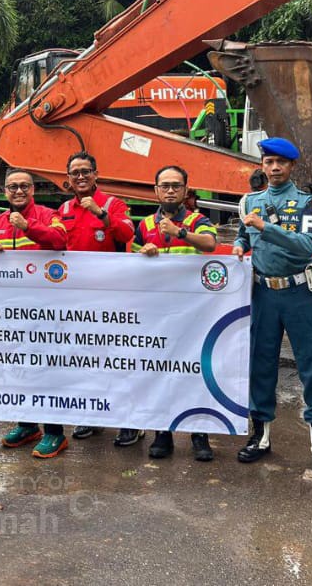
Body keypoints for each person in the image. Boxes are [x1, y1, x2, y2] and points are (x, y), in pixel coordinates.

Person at [233, 137, 312, 474]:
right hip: (263, 294)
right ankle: (260, 435)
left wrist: (266, 227)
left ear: (292, 166)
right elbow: (243, 235)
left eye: (281, 163)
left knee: (310, 366)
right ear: (262, 165)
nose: (274, 168)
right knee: (260, 365)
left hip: (299, 294)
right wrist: (238, 245)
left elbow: (307, 246)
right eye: (269, 162)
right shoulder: (250, 201)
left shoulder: (308, 203)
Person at [132, 165, 219, 462]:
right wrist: (142, 254)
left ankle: (199, 435)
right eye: (165, 185)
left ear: (185, 190)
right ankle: (163, 433)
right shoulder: (143, 225)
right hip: (156, 313)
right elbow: (129, 261)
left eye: (176, 185)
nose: (170, 190)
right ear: (155, 190)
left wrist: (180, 232)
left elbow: (210, 244)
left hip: (191, 312)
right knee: (160, 374)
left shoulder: (198, 220)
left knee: (195, 371)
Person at [0, 170, 69, 458]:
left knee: (47, 369)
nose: (18, 191)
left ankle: (55, 432)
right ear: (4, 191)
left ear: (32, 189)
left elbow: (59, 241)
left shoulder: (47, 214)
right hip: (10, 313)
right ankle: (27, 425)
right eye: (12, 187)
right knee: (17, 367)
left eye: (23, 186)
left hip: (45, 311)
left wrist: (28, 226)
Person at [57, 151, 136, 444]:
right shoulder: (63, 209)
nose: (80, 176)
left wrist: (100, 214)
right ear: (68, 178)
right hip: (75, 299)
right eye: (75, 172)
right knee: (84, 359)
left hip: (111, 296)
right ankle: (91, 415)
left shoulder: (112, 204)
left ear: (96, 174)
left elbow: (128, 232)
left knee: (117, 359)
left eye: (85, 171)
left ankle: (129, 420)